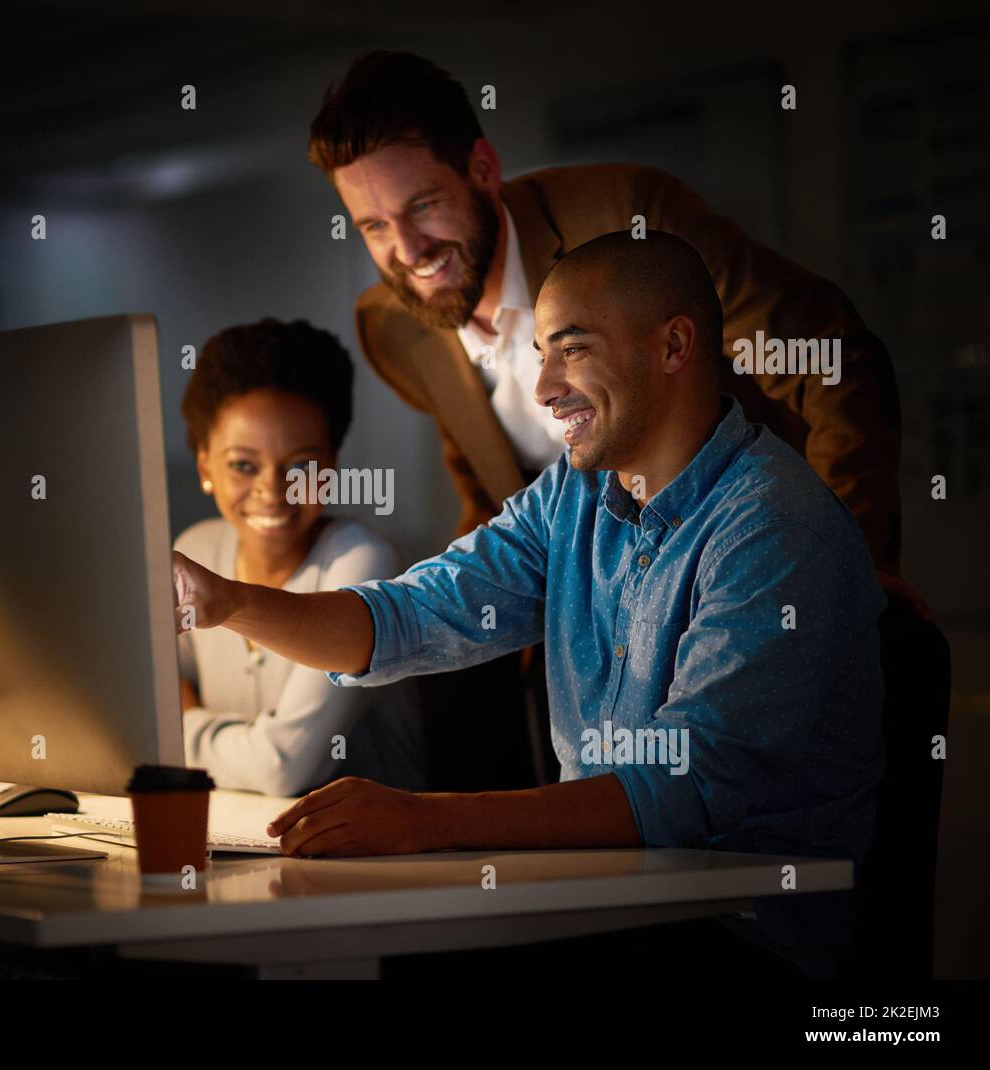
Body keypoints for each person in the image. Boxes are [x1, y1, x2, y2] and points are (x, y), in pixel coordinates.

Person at [173, 233, 886, 978]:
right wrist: (224, 602)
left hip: (739, 937)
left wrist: (426, 822)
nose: (543, 388)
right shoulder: (572, 495)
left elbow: (684, 791)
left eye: (571, 350)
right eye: (540, 353)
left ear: (674, 346)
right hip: (604, 904)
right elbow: (413, 617)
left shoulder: (772, 525)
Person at [307, 50, 911, 601]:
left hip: (749, 565)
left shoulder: (632, 217)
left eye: (422, 206)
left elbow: (829, 362)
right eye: (373, 227)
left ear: (483, 169)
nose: (407, 250)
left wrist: (848, 572)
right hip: (593, 632)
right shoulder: (393, 328)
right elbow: (486, 488)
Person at [174, 317, 424, 797]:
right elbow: (140, 712)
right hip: (235, 846)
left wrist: (177, 729)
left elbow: (281, 769)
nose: (273, 490)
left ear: (332, 465)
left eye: (303, 466)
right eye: (243, 465)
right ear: (206, 466)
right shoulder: (196, 551)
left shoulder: (363, 563)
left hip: (378, 865)